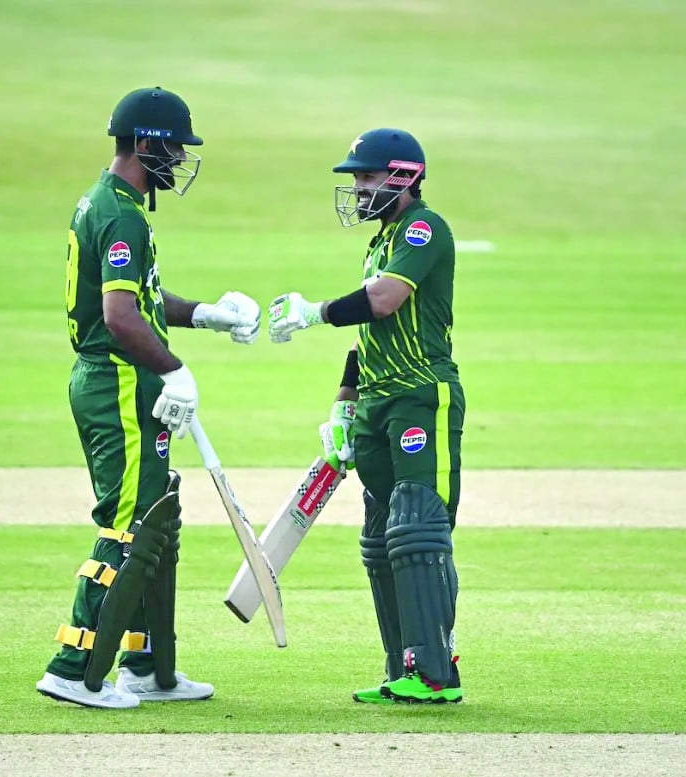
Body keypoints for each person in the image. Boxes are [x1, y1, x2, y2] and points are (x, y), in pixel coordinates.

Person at [36, 86, 261, 709]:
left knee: (157, 517)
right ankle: (73, 667)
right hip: (117, 382)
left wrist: (205, 315)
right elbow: (119, 317)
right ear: (144, 143)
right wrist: (176, 370)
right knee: (130, 525)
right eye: (174, 148)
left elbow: (143, 300)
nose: (180, 160)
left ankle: (146, 666)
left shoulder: (114, 203)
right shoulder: (121, 214)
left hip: (126, 381)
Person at [268, 128, 465, 704]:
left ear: (403, 178)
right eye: (355, 177)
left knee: (417, 528)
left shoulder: (423, 230)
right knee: (382, 538)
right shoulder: (379, 244)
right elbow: (370, 335)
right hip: (377, 400)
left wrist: (313, 312)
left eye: (366, 176)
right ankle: (403, 667)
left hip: (420, 395)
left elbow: (383, 302)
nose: (357, 188)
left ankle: (435, 673)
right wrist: (343, 405)